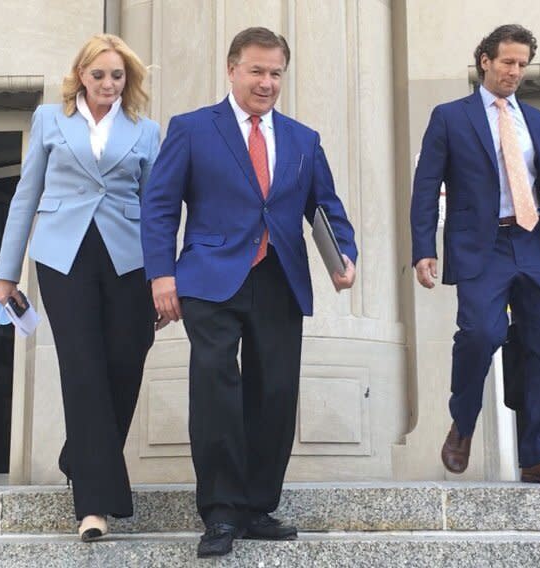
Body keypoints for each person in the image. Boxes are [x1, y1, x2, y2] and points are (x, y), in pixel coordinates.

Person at [141, 27, 357, 558]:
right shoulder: (193, 129)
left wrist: (343, 255)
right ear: (233, 69)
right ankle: (219, 512)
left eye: (276, 73)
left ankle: (258, 506)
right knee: (216, 388)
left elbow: (324, 206)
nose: (266, 82)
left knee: (275, 393)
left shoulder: (303, 139)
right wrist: (161, 274)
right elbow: (161, 205)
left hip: (279, 278)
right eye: (257, 71)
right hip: (210, 278)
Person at [0, 34, 160, 540]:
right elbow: (26, 195)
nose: (108, 83)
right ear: (81, 76)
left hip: (129, 257)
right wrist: (6, 273)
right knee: (83, 368)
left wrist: (163, 275)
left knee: (125, 362)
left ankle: (77, 454)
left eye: (117, 75)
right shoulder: (49, 119)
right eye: (99, 74)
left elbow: (158, 208)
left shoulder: (147, 130)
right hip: (63, 256)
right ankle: (94, 505)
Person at [410, 24, 540, 485]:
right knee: (482, 334)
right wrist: (423, 248)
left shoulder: (539, 122)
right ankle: (463, 423)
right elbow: (427, 185)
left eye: (522, 65)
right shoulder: (450, 116)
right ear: (485, 59)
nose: (514, 72)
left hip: (536, 241)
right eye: (507, 62)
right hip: (482, 246)